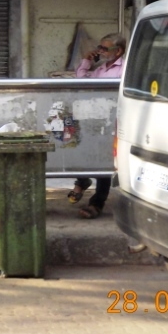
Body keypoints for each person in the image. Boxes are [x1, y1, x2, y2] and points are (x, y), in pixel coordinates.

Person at [68, 33, 126, 219]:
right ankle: (82, 181)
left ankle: (97, 202)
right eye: (99, 47)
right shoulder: (101, 68)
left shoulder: (124, 68)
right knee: (83, 151)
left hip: (112, 121)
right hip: (94, 118)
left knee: (104, 160)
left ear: (118, 51)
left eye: (104, 49)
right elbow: (82, 80)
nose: (100, 51)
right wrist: (86, 61)